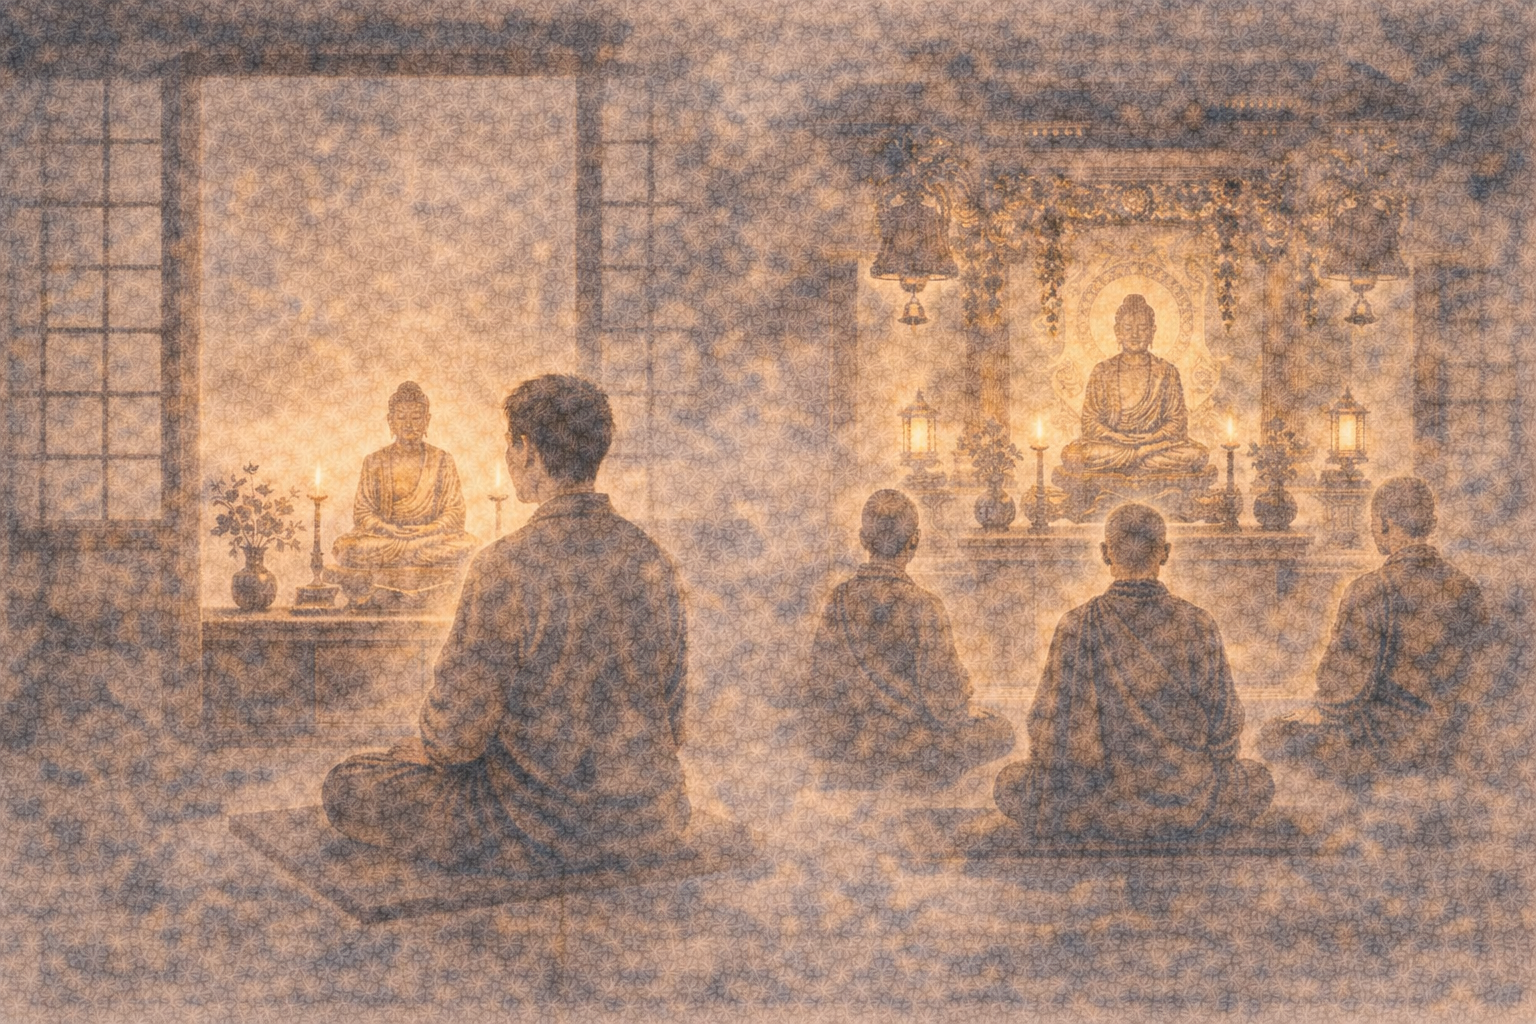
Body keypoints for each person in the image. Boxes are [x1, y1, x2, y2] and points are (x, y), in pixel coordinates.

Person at [323, 375, 691, 871]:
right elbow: (673, 718)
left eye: (510, 447)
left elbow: (452, 739)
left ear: (526, 451)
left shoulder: (504, 565)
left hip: (535, 821)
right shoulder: (652, 558)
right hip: (650, 815)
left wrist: (431, 748)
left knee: (350, 782)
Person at [993, 503, 1272, 841]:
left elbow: (1044, 726)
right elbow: (1225, 725)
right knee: (1257, 780)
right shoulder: (1197, 624)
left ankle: (1094, 821)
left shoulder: (1074, 624)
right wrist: (1198, 774)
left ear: (1105, 553)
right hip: (1185, 799)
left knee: (1011, 783)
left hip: (1089, 802)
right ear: (1165, 552)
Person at [1258, 476, 1489, 780]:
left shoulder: (1370, 589)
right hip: (1455, 739)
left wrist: (1315, 711)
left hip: (1389, 745)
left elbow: (1340, 689)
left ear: (1382, 523)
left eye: (1373, 521)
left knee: (1273, 734)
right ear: (1430, 523)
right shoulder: (1467, 589)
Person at [803, 489, 1014, 783]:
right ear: (915, 540)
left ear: (864, 539)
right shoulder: (924, 604)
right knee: (1001, 730)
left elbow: (819, 680)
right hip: (909, 745)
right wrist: (965, 709)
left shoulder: (838, 598)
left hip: (849, 743)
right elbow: (945, 696)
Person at [331, 381, 479, 570]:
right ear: (390, 420)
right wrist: (387, 529)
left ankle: (411, 552)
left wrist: (427, 529)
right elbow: (362, 513)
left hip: (429, 538)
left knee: (469, 546)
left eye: (416, 418)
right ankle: (413, 553)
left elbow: (455, 511)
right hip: (387, 539)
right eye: (401, 418)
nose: (408, 425)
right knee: (346, 548)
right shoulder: (374, 461)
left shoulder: (442, 460)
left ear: (427, 420)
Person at [1060, 294, 1210, 476]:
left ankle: (1136, 458)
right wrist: (1116, 437)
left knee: (1198, 455)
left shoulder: (1166, 372)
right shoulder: (1102, 371)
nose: (1135, 335)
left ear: (1152, 331)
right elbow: (1090, 422)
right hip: (1114, 446)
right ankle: (1140, 457)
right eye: (1128, 328)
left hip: (1155, 445)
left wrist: (1152, 439)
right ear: (1118, 332)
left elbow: (1177, 422)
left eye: (1142, 328)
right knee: (1073, 455)